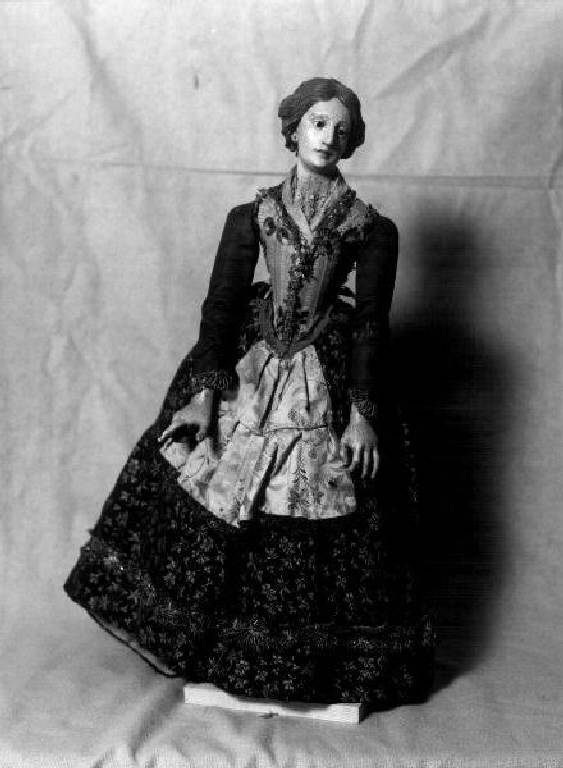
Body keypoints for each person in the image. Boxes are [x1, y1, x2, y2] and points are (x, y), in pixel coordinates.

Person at [64, 77, 434, 711]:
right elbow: (221, 308)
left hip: (326, 372)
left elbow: (372, 323)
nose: (328, 137)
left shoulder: (372, 229)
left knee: (329, 504)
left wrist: (362, 413)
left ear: (352, 143)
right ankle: (217, 648)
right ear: (294, 128)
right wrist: (206, 392)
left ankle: (306, 662)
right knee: (216, 482)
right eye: (318, 123)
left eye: (341, 130)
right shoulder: (251, 216)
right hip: (253, 365)